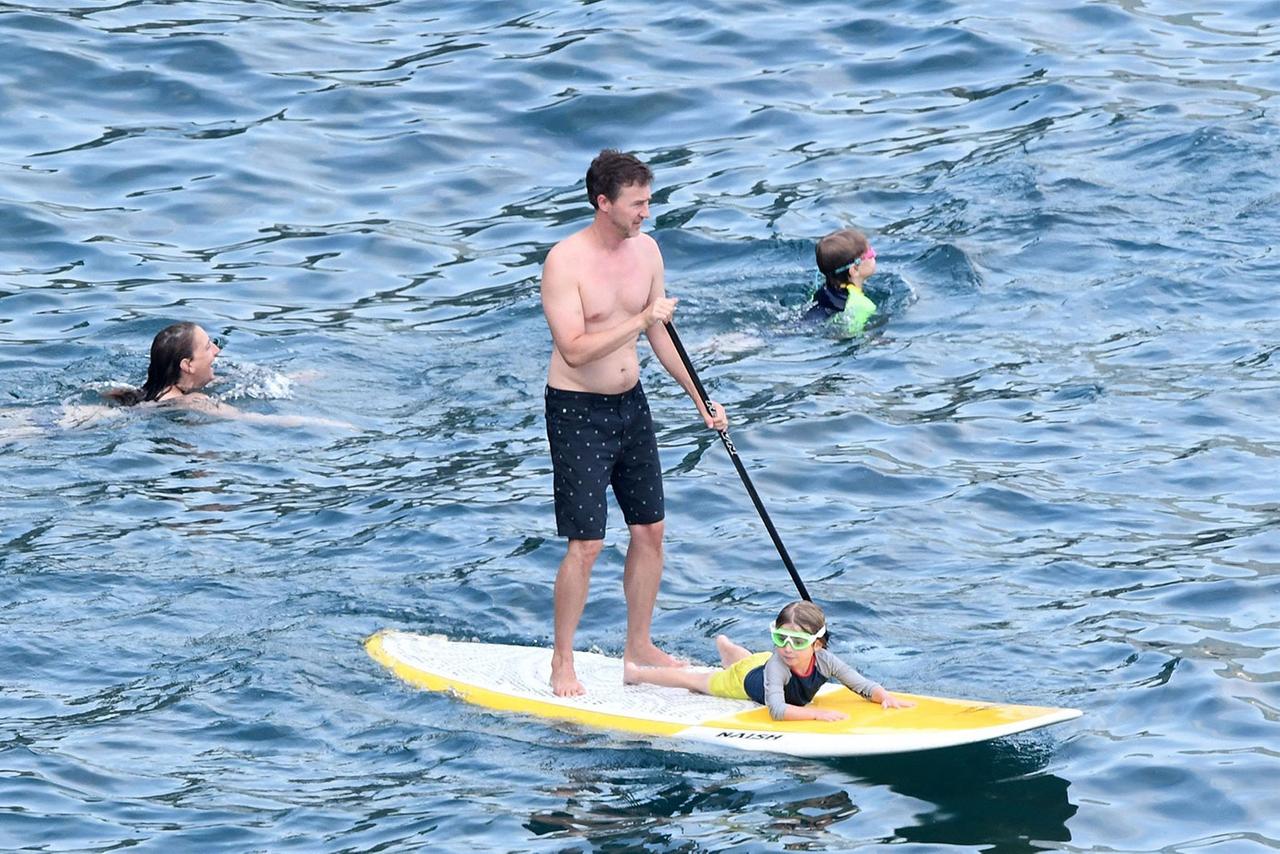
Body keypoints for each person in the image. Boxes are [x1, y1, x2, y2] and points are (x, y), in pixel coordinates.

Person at [540, 148, 729, 697]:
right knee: (587, 543)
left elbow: (660, 336)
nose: (647, 212)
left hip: (632, 403)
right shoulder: (565, 262)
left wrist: (700, 400)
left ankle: (639, 647)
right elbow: (573, 350)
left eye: (648, 200)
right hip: (577, 412)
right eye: (637, 203)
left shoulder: (646, 251)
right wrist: (643, 318)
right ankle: (561, 660)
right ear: (604, 203)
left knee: (650, 530)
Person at [623, 600, 915, 721]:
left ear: (817, 644)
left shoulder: (826, 661)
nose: (786, 648)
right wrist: (816, 714)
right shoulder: (779, 664)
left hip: (756, 663)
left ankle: (727, 649)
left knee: (748, 660)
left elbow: (860, 684)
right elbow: (776, 709)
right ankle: (637, 674)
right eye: (780, 639)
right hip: (742, 682)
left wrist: (883, 696)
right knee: (694, 681)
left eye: (797, 642)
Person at [101, 322, 351, 428]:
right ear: (187, 365)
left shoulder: (139, 394)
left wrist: (294, 379)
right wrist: (325, 425)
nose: (217, 350)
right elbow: (253, 420)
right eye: (208, 346)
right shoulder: (192, 401)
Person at [803, 227, 878, 335]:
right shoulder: (863, 305)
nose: (875, 255)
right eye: (870, 254)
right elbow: (851, 334)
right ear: (855, 270)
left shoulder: (823, 291)